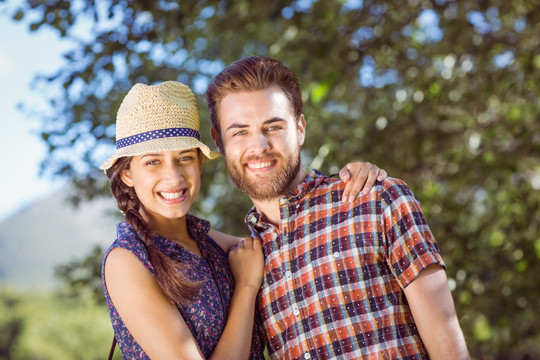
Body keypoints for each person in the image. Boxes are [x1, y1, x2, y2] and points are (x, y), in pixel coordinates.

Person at [205, 56, 471, 359]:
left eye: (273, 126)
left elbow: (446, 337)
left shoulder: (376, 199)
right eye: (240, 132)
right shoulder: (243, 263)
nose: (260, 146)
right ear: (219, 141)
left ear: (300, 128)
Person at [100, 81, 387, 359]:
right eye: (153, 162)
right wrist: (247, 289)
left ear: (200, 164)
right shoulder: (127, 260)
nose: (173, 177)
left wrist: (354, 179)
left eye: (184, 158)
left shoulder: (210, 244)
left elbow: (290, 245)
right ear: (127, 174)